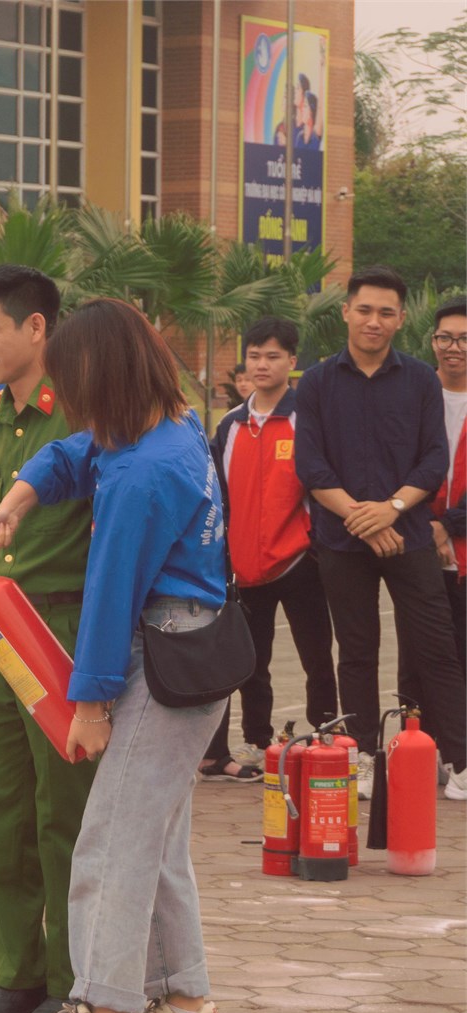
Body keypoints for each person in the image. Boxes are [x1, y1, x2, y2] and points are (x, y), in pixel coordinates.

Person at [0, 298, 239, 1013]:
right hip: (190, 647)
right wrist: (18, 499)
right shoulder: (167, 431)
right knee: (155, 844)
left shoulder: (144, 475)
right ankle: (184, 1009)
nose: (75, 404)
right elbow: (77, 454)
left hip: (160, 654)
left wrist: (87, 703)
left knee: (112, 839)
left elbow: (110, 594)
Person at [0, 265, 96, 1013]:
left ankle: (73, 981)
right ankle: (13, 976)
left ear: (37, 327)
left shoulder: (85, 415)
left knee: (60, 812)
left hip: (61, 631)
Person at [293, 265, 467, 800]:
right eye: (364, 309)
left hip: (409, 535)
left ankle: (459, 760)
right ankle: (363, 755)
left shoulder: (419, 379)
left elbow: (433, 459)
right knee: (357, 648)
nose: (374, 320)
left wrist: (390, 509)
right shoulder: (318, 381)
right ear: (346, 311)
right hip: (343, 541)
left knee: (436, 647)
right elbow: (311, 465)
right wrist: (360, 518)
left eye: (386, 312)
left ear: (401, 319)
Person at [198, 318, 336, 781]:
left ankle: (326, 736)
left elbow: (321, 486)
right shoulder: (231, 425)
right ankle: (258, 741)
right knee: (249, 662)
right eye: (255, 355)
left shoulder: (307, 420)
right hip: (243, 567)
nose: (262, 364)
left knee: (316, 656)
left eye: (273, 356)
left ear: (292, 363)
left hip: (301, 562)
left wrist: (314, 546)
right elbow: (217, 493)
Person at [430, 297, 466, 676]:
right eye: (446, 337)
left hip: (463, 545)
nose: (454, 347)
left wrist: (449, 526)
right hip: (421, 550)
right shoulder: (415, 395)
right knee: (420, 664)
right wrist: (428, 526)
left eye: (465, 339)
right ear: (433, 342)